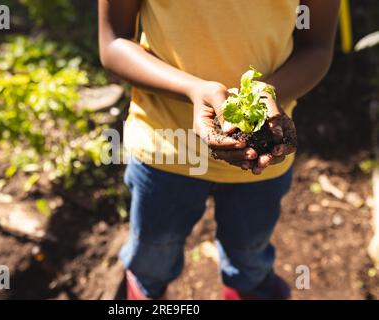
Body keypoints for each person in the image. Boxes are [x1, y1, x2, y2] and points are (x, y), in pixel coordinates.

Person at [98, 0, 340, 299]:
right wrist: (193, 89)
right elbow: (114, 42)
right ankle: (144, 291)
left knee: (249, 255)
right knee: (153, 255)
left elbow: (315, 48)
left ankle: (247, 290)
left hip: (261, 152)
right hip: (164, 148)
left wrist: (267, 92)